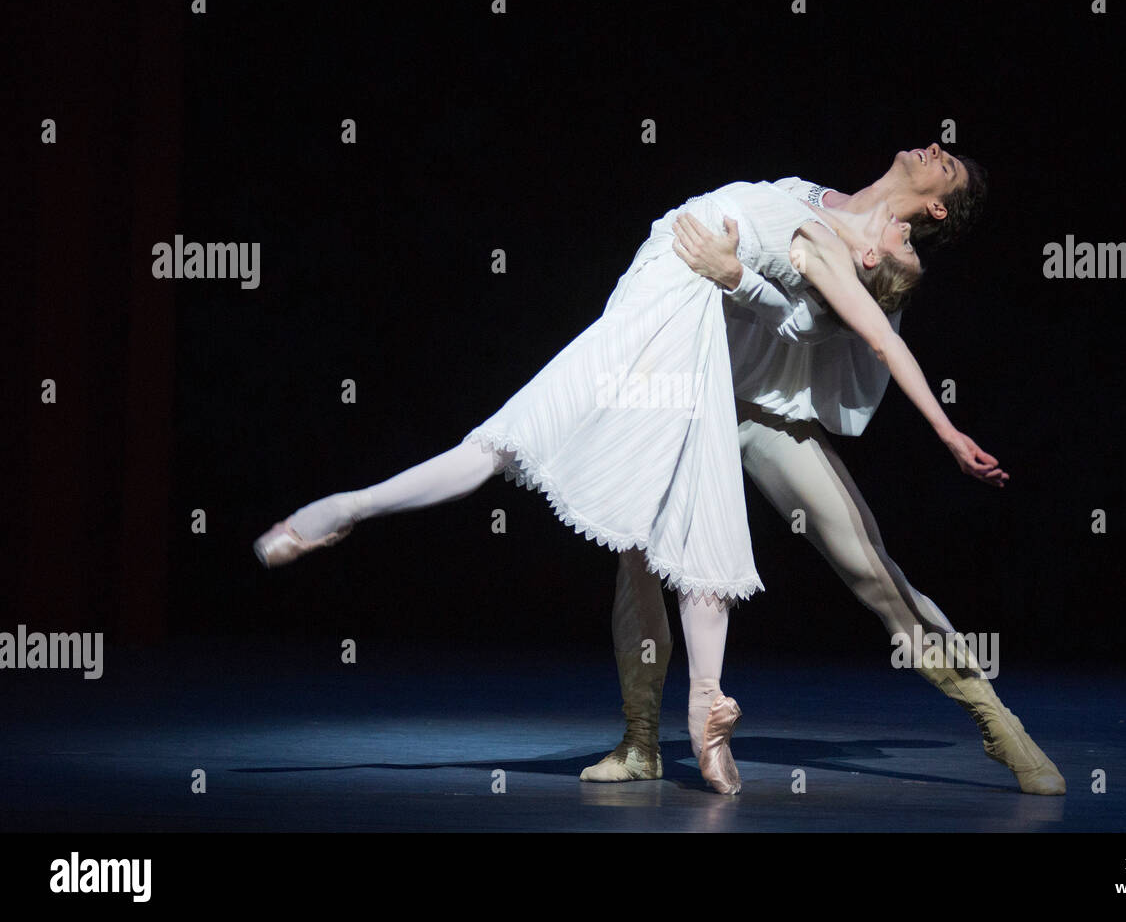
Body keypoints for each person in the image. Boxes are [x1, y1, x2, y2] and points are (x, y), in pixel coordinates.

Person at [253, 172, 1002, 794]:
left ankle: (349, 508)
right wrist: (744, 278)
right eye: (907, 236)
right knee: (548, 455)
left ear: (875, 263)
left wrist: (945, 429)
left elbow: (868, 335)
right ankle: (353, 506)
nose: (904, 237)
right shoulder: (818, 202)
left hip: (678, 313)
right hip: (647, 298)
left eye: (906, 242)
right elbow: (789, 311)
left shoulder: (839, 256)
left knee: (643, 494)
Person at [580, 146, 1067, 796]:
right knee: (636, 556)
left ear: (937, 206)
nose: (935, 149)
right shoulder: (799, 191)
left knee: (869, 566)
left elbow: (871, 338)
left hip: (758, 410)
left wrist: (948, 430)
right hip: (684, 394)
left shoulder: (886, 260)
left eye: (946, 165)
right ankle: (640, 740)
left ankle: (995, 719)